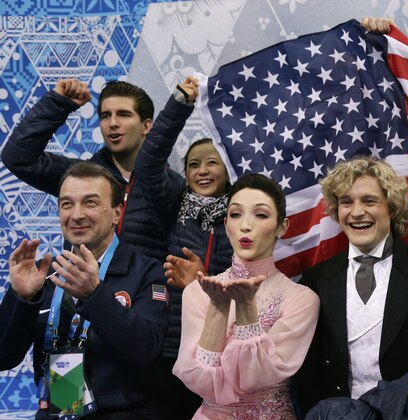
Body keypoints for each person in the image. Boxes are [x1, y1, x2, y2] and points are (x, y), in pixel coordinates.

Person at [0, 162, 169, 419]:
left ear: (116, 213)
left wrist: (95, 294)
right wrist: (21, 299)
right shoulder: (43, 274)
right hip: (58, 411)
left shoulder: (147, 271)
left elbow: (145, 352)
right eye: (67, 204)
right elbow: (4, 358)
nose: (76, 215)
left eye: (90, 203)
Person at [293, 157, 408, 414]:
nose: (356, 212)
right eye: (346, 202)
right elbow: (308, 371)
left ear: (392, 207)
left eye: (369, 201)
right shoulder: (316, 280)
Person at [172, 173, 320, 419]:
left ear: (282, 227)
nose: (245, 225)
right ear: (226, 222)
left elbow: (254, 377)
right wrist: (218, 307)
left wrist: (246, 308)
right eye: (235, 214)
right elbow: (200, 380)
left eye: (260, 215)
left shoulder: (302, 299)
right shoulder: (198, 291)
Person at [134, 76, 233, 419]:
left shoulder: (242, 219)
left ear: (228, 170)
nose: (202, 171)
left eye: (211, 162)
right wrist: (178, 103)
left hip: (226, 352)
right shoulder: (173, 207)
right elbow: (147, 164)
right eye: (193, 164)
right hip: (174, 353)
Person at [1, 78, 183, 260]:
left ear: (146, 126)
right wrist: (58, 103)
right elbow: (17, 157)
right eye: (105, 116)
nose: (112, 123)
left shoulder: (174, 186)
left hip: (145, 286)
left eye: (123, 114)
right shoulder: (77, 177)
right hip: (82, 285)